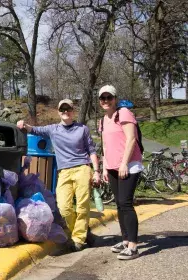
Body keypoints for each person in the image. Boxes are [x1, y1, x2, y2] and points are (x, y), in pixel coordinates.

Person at [17, 99, 100, 251]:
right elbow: (34, 130)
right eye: (62, 109)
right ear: (58, 112)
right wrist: (24, 124)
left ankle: (78, 240)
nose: (65, 112)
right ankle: (84, 232)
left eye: (68, 109)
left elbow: (92, 151)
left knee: (82, 206)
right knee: (63, 207)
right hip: (64, 172)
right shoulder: (53, 129)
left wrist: (96, 172)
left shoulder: (82, 129)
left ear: (73, 111)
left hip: (82, 168)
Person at [99, 85, 142, 260]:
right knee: (118, 203)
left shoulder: (123, 113)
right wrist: (104, 166)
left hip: (129, 165)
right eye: (103, 98)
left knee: (125, 203)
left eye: (109, 97)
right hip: (112, 167)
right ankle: (125, 241)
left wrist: (124, 163)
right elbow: (105, 145)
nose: (106, 101)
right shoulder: (103, 119)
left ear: (115, 98)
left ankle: (133, 246)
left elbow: (132, 139)